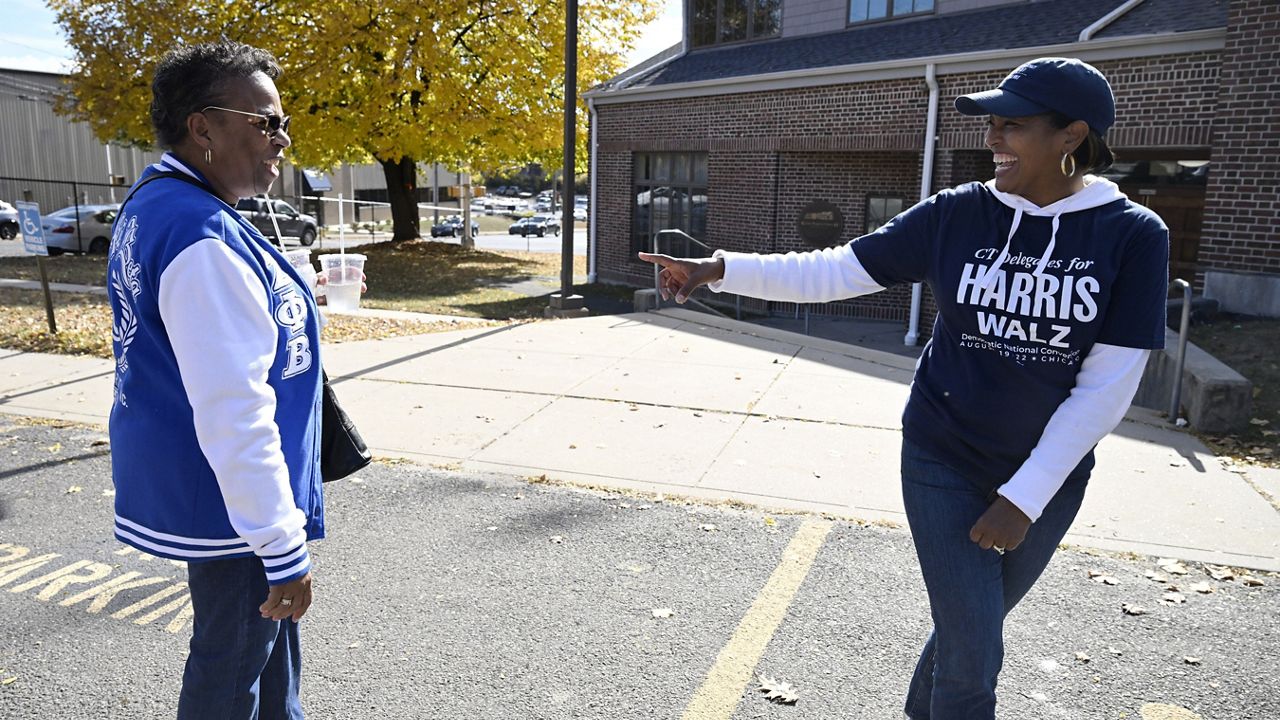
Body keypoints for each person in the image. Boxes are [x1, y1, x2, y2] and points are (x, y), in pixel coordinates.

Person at [641, 57, 1168, 719]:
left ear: (1071, 136)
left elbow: (1106, 389)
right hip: (941, 455)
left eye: (1015, 126)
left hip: (1048, 476)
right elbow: (833, 271)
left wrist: (1025, 497)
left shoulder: (1133, 236)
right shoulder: (958, 214)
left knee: (965, 630)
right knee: (974, 652)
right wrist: (716, 269)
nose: (994, 138)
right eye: (992, 124)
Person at [107, 40, 322, 719]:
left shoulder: (162, 201)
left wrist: (303, 290)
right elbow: (234, 407)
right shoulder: (201, 235)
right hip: (233, 506)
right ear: (204, 127)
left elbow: (205, 326)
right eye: (265, 122)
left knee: (261, 661)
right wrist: (281, 543)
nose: (282, 139)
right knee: (230, 672)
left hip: (224, 497)